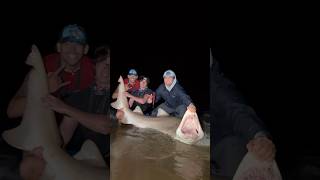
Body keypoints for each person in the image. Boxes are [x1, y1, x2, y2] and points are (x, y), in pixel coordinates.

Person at [7, 24, 94, 119]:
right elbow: (12, 111)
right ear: (58, 47)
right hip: (46, 123)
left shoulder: (95, 69)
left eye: (78, 44)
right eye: (67, 44)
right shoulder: (43, 67)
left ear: (85, 49)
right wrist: (44, 89)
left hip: (78, 123)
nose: (72, 50)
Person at [43, 45, 112, 164]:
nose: (107, 68)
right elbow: (63, 137)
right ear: (95, 66)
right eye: (103, 63)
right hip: (84, 156)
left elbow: (106, 126)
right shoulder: (79, 96)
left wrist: (65, 108)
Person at [210, 55, 276, 179]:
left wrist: (258, 135)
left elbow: (233, 105)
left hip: (220, 146)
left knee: (236, 148)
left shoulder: (214, 81)